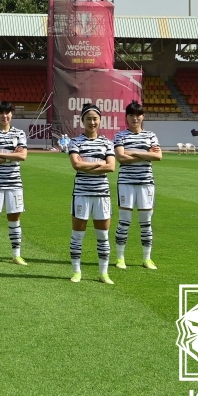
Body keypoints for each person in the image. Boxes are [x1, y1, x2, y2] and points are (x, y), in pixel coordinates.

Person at [68, 103, 117, 284]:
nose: (92, 122)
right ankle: (76, 271)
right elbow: (76, 165)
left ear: (100, 120)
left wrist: (87, 165)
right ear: (82, 121)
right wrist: (99, 164)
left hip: (102, 194)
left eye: (95, 118)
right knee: (77, 235)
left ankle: (103, 273)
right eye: (88, 118)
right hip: (81, 193)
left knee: (103, 236)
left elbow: (111, 167)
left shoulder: (107, 142)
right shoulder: (75, 142)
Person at [113, 101, 162, 270]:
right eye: (132, 115)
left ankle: (147, 258)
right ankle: (120, 258)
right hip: (126, 182)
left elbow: (158, 156)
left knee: (145, 222)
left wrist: (132, 152)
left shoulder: (151, 135)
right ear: (126, 117)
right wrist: (146, 154)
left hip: (146, 183)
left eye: (138, 115)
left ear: (143, 116)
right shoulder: (120, 136)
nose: (135, 118)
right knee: (124, 222)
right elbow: (120, 157)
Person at [0, 101, 29, 266]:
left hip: (14, 182)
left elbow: (23, 156)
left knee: (14, 218)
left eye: (7, 112)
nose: (4, 116)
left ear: (11, 114)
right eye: (1, 113)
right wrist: (11, 155)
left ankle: (16, 255)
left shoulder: (20, 133)